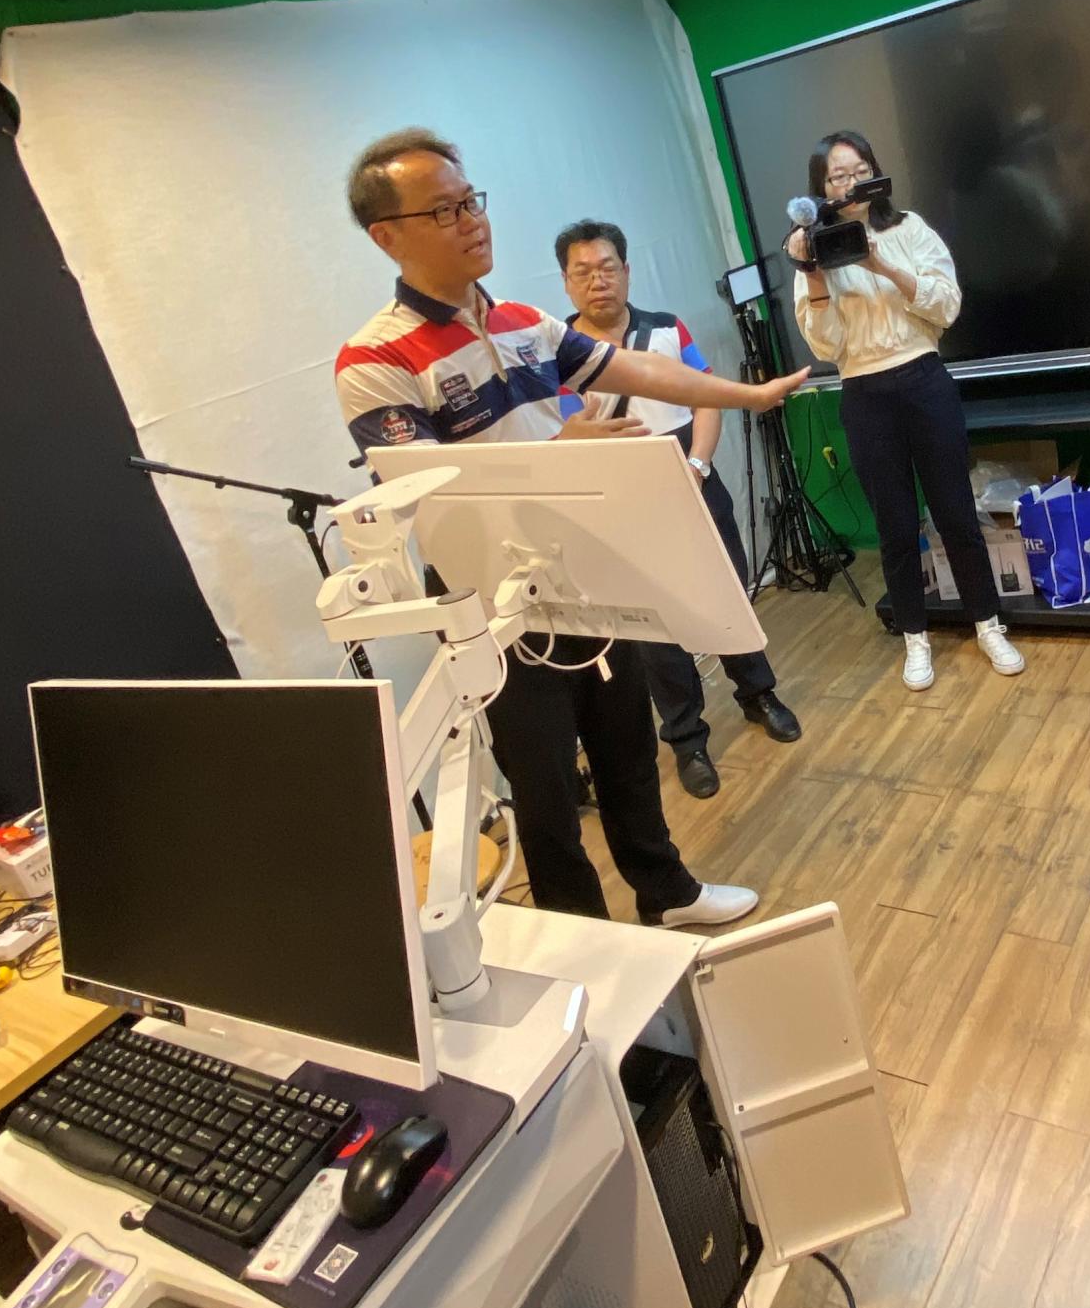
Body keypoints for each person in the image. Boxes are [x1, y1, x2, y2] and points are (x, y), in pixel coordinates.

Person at [334, 129, 809, 933]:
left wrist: (746, 395)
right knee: (547, 785)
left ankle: (668, 893)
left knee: (628, 749)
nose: (471, 221)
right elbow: (427, 492)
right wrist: (563, 449)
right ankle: (580, 935)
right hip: (490, 605)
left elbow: (640, 368)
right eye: (444, 210)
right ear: (388, 236)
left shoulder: (523, 322)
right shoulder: (373, 359)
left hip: (579, 566)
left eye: (471, 200)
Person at [554, 217, 801, 801]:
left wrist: (697, 464)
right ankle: (687, 738)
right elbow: (563, 431)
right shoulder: (557, 352)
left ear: (626, 270)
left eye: (607, 267)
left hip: (692, 480)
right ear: (566, 282)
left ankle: (757, 693)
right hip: (622, 504)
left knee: (726, 593)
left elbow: (705, 398)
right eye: (582, 272)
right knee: (654, 626)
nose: (597, 281)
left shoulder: (667, 328)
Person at [788, 131, 1024, 694]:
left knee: (955, 514)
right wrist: (815, 278)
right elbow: (826, 346)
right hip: (863, 392)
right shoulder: (815, 252)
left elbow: (947, 306)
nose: (850, 183)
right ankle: (915, 639)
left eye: (859, 170)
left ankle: (988, 626)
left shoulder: (909, 229)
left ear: (875, 173)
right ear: (821, 190)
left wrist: (881, 264)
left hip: (923, 379)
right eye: (837, 176)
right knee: (894, 526)